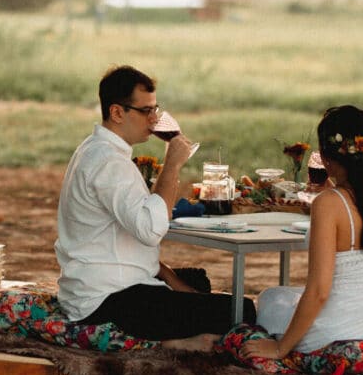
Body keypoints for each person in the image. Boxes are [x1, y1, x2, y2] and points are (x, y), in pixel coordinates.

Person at [54, 65, 254, 350]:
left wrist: (171, 278)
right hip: (106, 301)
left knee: (197, 283)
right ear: (117, 112)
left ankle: (177, 338)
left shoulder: (96, 149)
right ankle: (175, 344)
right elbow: (150, 230)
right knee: (241, 311)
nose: (154, 119)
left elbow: (127, 238)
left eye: (155, 109)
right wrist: (172, 164)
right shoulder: (109, 163)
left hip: (104, 288)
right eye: (146, 111)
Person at [241, 105, 363, 358]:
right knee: (281, 295)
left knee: (271, 299)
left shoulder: (329, 203)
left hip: (339, 332)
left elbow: (320, 291)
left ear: (324, 157)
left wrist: (281, 348)